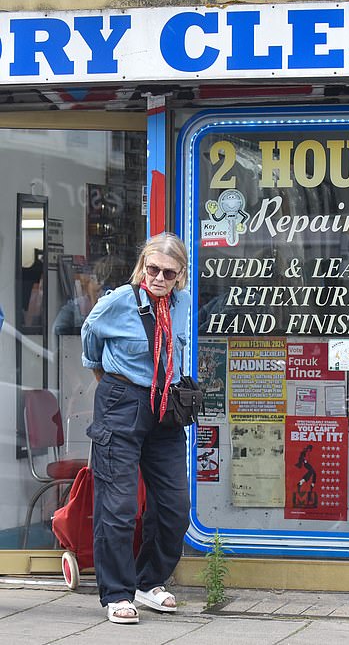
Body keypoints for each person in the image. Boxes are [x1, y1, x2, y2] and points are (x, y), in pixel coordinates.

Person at [81, 233, 191, 625]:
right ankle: (116, 593)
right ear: (143, 266)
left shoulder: (182, 304)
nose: (158, 278)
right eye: (152, 269)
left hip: (164, 407)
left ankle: (149, 580)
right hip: (122, 400)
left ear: (180, 276)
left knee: (175, 506)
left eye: (167, 272)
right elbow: (89, 336)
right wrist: (106, 377)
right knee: (119, 505)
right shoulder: (119, 301)